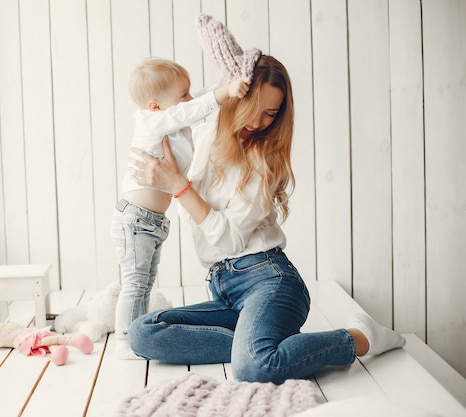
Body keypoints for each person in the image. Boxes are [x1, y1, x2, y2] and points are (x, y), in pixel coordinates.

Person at [125, 14, 405, 383]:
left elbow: (228, 238)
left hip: (269, 281)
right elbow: (185, 104)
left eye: (270, 114)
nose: (258, 123)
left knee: (254, 367)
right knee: (142, 333)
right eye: (253, 108)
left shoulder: (262, 161)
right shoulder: (206, 133)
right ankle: (261, 341)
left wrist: (179, 186)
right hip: (224, 289)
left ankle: (360, 337)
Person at [112, 57, 251, 359]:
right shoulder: (152, 121)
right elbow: (195, 107)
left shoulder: (168, 113)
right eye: (182, 95)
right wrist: (224, 93)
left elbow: (196, 99)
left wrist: (225, 85)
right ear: (155, 106)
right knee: (134, 283)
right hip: (135, 220)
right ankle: (125, 339)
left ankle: (136, 331)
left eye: (188, 93)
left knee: (146, 280)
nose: (189, 98)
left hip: (152, 221)